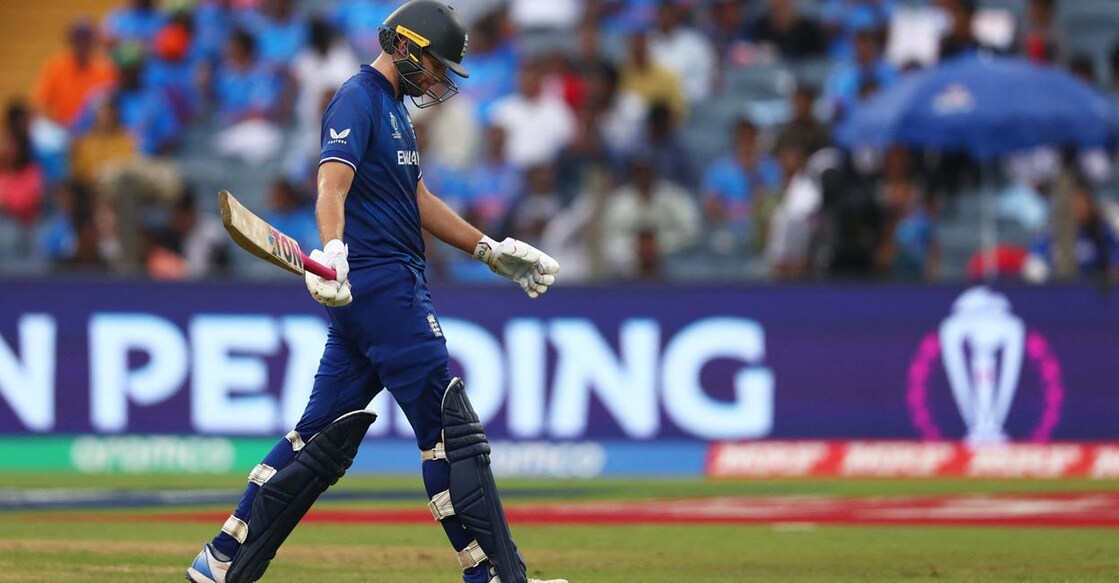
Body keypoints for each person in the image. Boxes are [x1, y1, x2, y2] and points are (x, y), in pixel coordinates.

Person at [185, 3, 565, 583]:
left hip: (376, 291)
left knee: (319, 437)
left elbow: (417, 199)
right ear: (404, 47)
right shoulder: (357, 98)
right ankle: (495, 576)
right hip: (382, 285)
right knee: (449, 433)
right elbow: (330, 186)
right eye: (436, 64)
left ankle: (222, 559)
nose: (438, 79)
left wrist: (488, 249)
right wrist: (334, 248)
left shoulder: (394, 110)